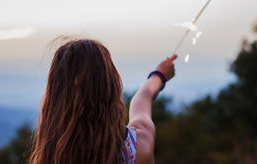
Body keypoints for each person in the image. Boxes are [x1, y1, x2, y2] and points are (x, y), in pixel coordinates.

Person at [29, 38, 177, 164]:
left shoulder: (49, 154)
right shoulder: (139, 148)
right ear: (111, 88)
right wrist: (159, 75)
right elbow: (142, 100)